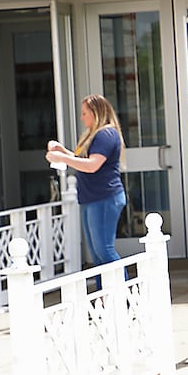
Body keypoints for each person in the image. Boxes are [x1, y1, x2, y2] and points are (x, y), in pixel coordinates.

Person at [45, 94, 125, 267]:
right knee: (97, 254)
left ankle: (122, 290)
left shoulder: (106, 134)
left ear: (96, 113)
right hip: (92, 198)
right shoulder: (93, 135)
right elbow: (81, 158)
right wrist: (63, 152)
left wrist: (62, 158)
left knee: (104, 250)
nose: (82, 118)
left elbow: (92, 165)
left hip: (104, 197)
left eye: (84, 113)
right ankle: (104, 293)